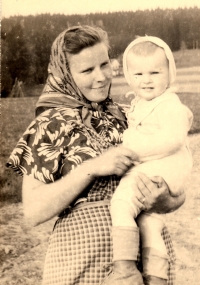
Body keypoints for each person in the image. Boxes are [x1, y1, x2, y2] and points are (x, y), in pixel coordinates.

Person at [6, 26, 185, 285]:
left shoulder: (134, 113)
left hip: (145, 264)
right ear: (65, 74)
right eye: (87, 70)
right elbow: (33, 212)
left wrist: (167, 199)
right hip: (81, 260)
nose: (101, 77)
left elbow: (176, 176)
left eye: (104, 64)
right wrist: (92, 168)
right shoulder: (49, 124)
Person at [104, 36, 193, 285]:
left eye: (155, 72)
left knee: (121, 203)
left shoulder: (169, 104)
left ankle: (124, 269)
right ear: (129, 76)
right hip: (161, 169)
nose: (147, 80)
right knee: (150, 222)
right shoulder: (141, 104)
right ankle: (157, 277)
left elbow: (172, 139)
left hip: (162, 167)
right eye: (139, 73)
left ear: (169, 73)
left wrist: (131, 150)